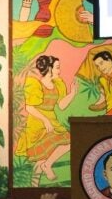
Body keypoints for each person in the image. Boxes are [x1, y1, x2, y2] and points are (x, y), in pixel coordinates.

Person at [16, 55, 76, 184]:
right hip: (37, 123)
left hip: (52, 121)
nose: (59, 71)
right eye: (57, 68)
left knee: (68, 142)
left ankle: (47, 165)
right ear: (49, 68)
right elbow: (30, 107)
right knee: (40, 157)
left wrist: (72, 93)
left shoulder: (58, 84)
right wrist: (45, 120)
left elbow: (62, 105)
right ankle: (36, 182)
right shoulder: (34, 83)